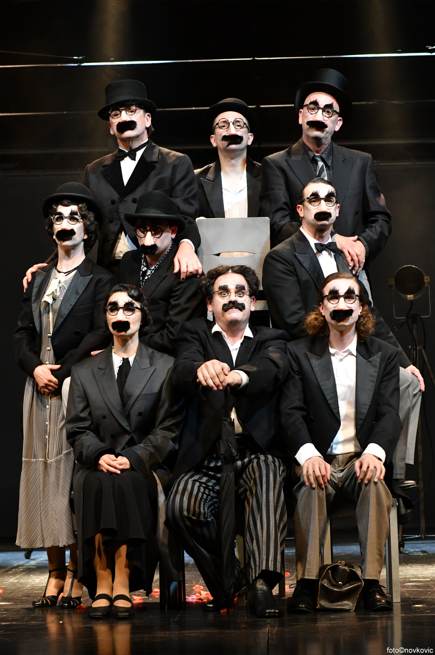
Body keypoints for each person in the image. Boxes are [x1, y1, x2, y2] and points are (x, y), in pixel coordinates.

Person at [263, 177, 423, 481]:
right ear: (300, 209)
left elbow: (368, 311)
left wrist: (404, 361)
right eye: (314, 200)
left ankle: (392, 472)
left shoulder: (344, 255)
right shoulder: (281, 256)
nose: (322, 205)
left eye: (329, 200)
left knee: (409, 382)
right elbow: (291, 320)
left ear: (337, 210)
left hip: (351, 344)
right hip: (309, 353)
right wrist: (341, 339)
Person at [166, 265, 289, 618]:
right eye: (223, 292)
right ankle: (233, 579)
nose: (232, 298)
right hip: (207, 455)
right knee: (180, 507)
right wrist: (200, 369)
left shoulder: (271, 338)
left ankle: (261, 585)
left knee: (268, 472)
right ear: (210, 304)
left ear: (252, 301)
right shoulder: (195, 333)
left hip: (255, 451)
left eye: (239, 292)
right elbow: (182, 368)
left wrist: (239, 376)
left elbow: (273, 367)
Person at [14, 182, 113, 608]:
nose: (65, 224)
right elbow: (22, 333)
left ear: (87, 228)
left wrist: (61, 370)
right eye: (58, 217)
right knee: (39, 473)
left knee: (69, 476)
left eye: (74, 217)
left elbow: (97, 332)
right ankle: (53, 571)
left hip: (73, 383)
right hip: (38, 385)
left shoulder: (99, 278)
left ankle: (75, 571)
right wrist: (34, 368)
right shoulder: (38, 277)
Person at [282, 271, 401, 612]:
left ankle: (372, 584)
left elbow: (389, 414)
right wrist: (308, 456)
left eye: (350, 297)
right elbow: (290, 412)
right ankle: (306, 584)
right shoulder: (298, 352)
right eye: (333, 296)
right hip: (319, 457)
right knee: (311, 483)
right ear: (321, 307)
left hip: (359, 459)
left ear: (361, 307)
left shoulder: (383, 354)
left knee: (374, 483)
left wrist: (375, 453)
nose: (342, 303)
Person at [66, 284, 184, 619]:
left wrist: (132, 457)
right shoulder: (84, 370)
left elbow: (168, 427)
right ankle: (102, 578)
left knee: (126, 481)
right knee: (95, 481)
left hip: (143, 462)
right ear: (106, 318)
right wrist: (99, 455)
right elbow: (77, 428)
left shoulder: (165, 366)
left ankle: (123, 575)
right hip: (98, 461)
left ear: (142, 317)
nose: (121, 314)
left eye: (129, 308)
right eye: (113, 308)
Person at [23, 79, 202, 288]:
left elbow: (186, 216)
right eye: (116, 114)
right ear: (110, 127)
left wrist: (187, 247)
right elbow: (81, 223)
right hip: (109, 271)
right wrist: (50, 265)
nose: (124, 118)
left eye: (131, 111)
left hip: (158, 268)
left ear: (147, 119)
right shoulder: (94, 170)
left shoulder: (175, 163)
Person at [260, 68, 392, 275]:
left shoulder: (361, 162)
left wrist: (361, 246)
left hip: (351, 269)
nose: (319, 116)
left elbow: (380, 219)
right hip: (302, 270)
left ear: (337, 123)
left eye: (328, 111)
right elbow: (277, 224)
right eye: (312, 108)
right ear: (300, 115)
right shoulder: (277, 164)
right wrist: (331, 240)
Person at [119, 191, 204, 355]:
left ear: (173, 231)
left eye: (156, 231)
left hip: (165, 357)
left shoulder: (185, 270)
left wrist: (125, 346)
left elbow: (174, 337)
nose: (147, 240)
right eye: (141, 230)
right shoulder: (129, 260)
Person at [196, 98, 261, 219]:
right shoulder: (195, 181)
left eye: (238, 124)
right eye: (223, 125)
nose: (231, 132)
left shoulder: (268, 177)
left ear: (250, 138)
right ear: (213, 140)